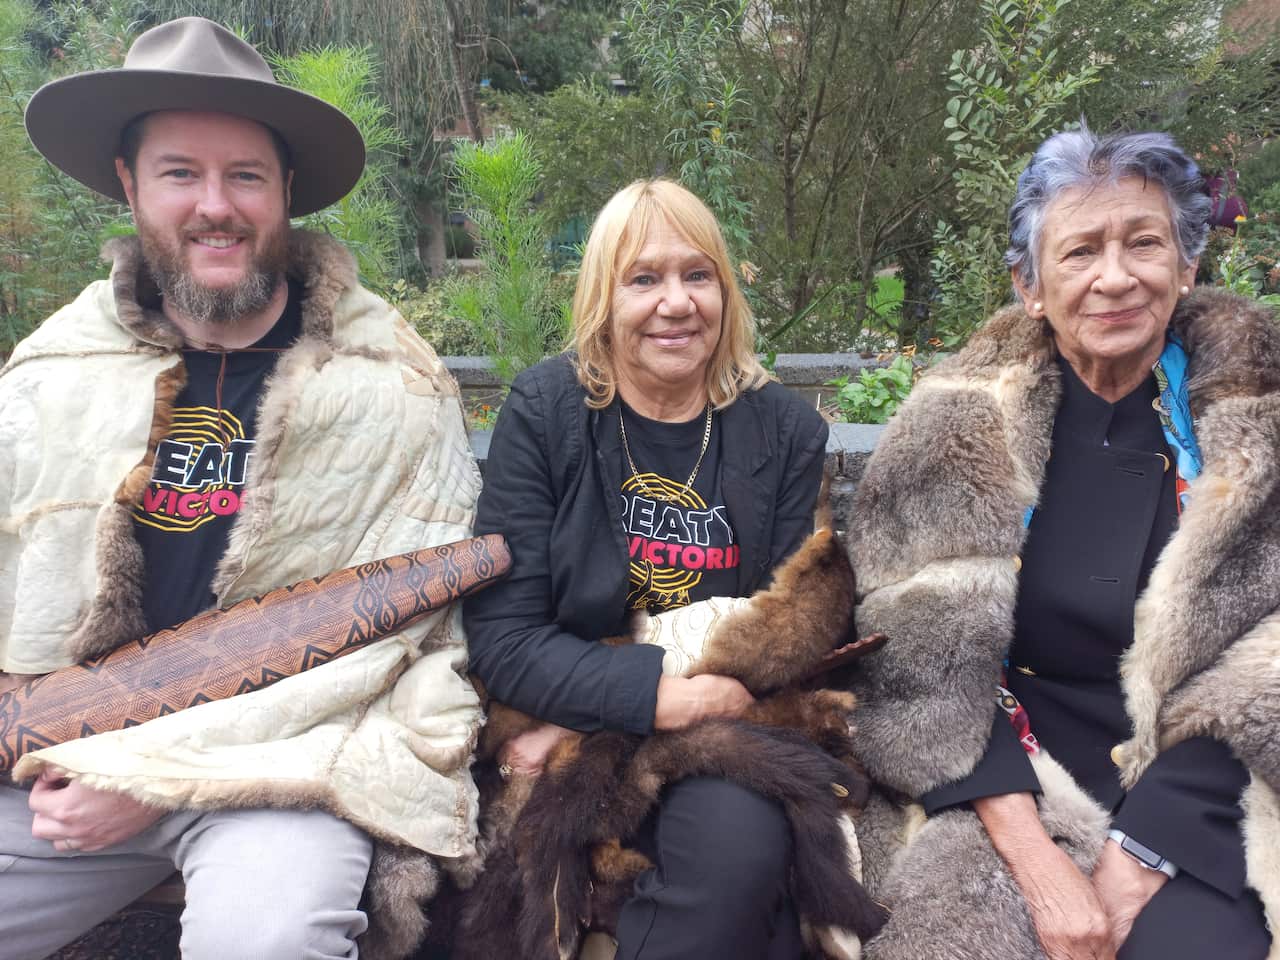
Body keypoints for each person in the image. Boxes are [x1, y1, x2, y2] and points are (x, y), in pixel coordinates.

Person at [0, 18, 482, 960]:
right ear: (130, 183)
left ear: (286, 190)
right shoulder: (48, 377)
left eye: (246, 176)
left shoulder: (389, 381)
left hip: (283, 771)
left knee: (267, 941)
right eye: (180, 172)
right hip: (54, 768)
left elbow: (395, 645)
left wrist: (149, 772)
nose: (215, 206)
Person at [844, 127, 1278, 960]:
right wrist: (1037, 857)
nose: (1114, 277)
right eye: (1080, 251)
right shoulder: (953, 427)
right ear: (1030, 284)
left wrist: (1143, 850)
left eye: (1143, 243)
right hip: (1004, 770)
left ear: (1187, 264)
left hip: (1206, 782)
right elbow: (912, 659)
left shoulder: (1260, 419)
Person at [463, 178, 830, 959]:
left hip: (720, 731)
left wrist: (653, 706)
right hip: (583, 719)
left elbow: (787, 632)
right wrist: (648, 699)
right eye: (644, 278)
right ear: (605, 298)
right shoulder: (547, 413)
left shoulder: (782, 431)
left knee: (741, 856)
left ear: (725, 293)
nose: (677, 302)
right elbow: (504, 633)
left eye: (698, 275)